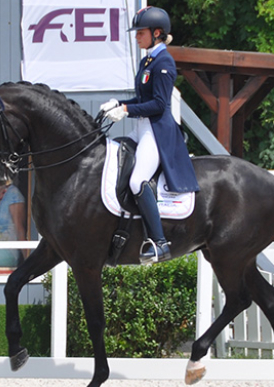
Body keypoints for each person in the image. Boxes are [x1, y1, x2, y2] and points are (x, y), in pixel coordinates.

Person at [100, 6, 199, 264]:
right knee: (112, 160)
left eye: (140, 32)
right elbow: (140, 98)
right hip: (141, 128)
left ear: (157, 33)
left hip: (157, 131)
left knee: (137, 181)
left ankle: (159, 242)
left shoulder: (165, 63)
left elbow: (158, 104)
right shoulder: (148, 61)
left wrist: (125, 109)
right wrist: (118, 102)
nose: (136, 37)